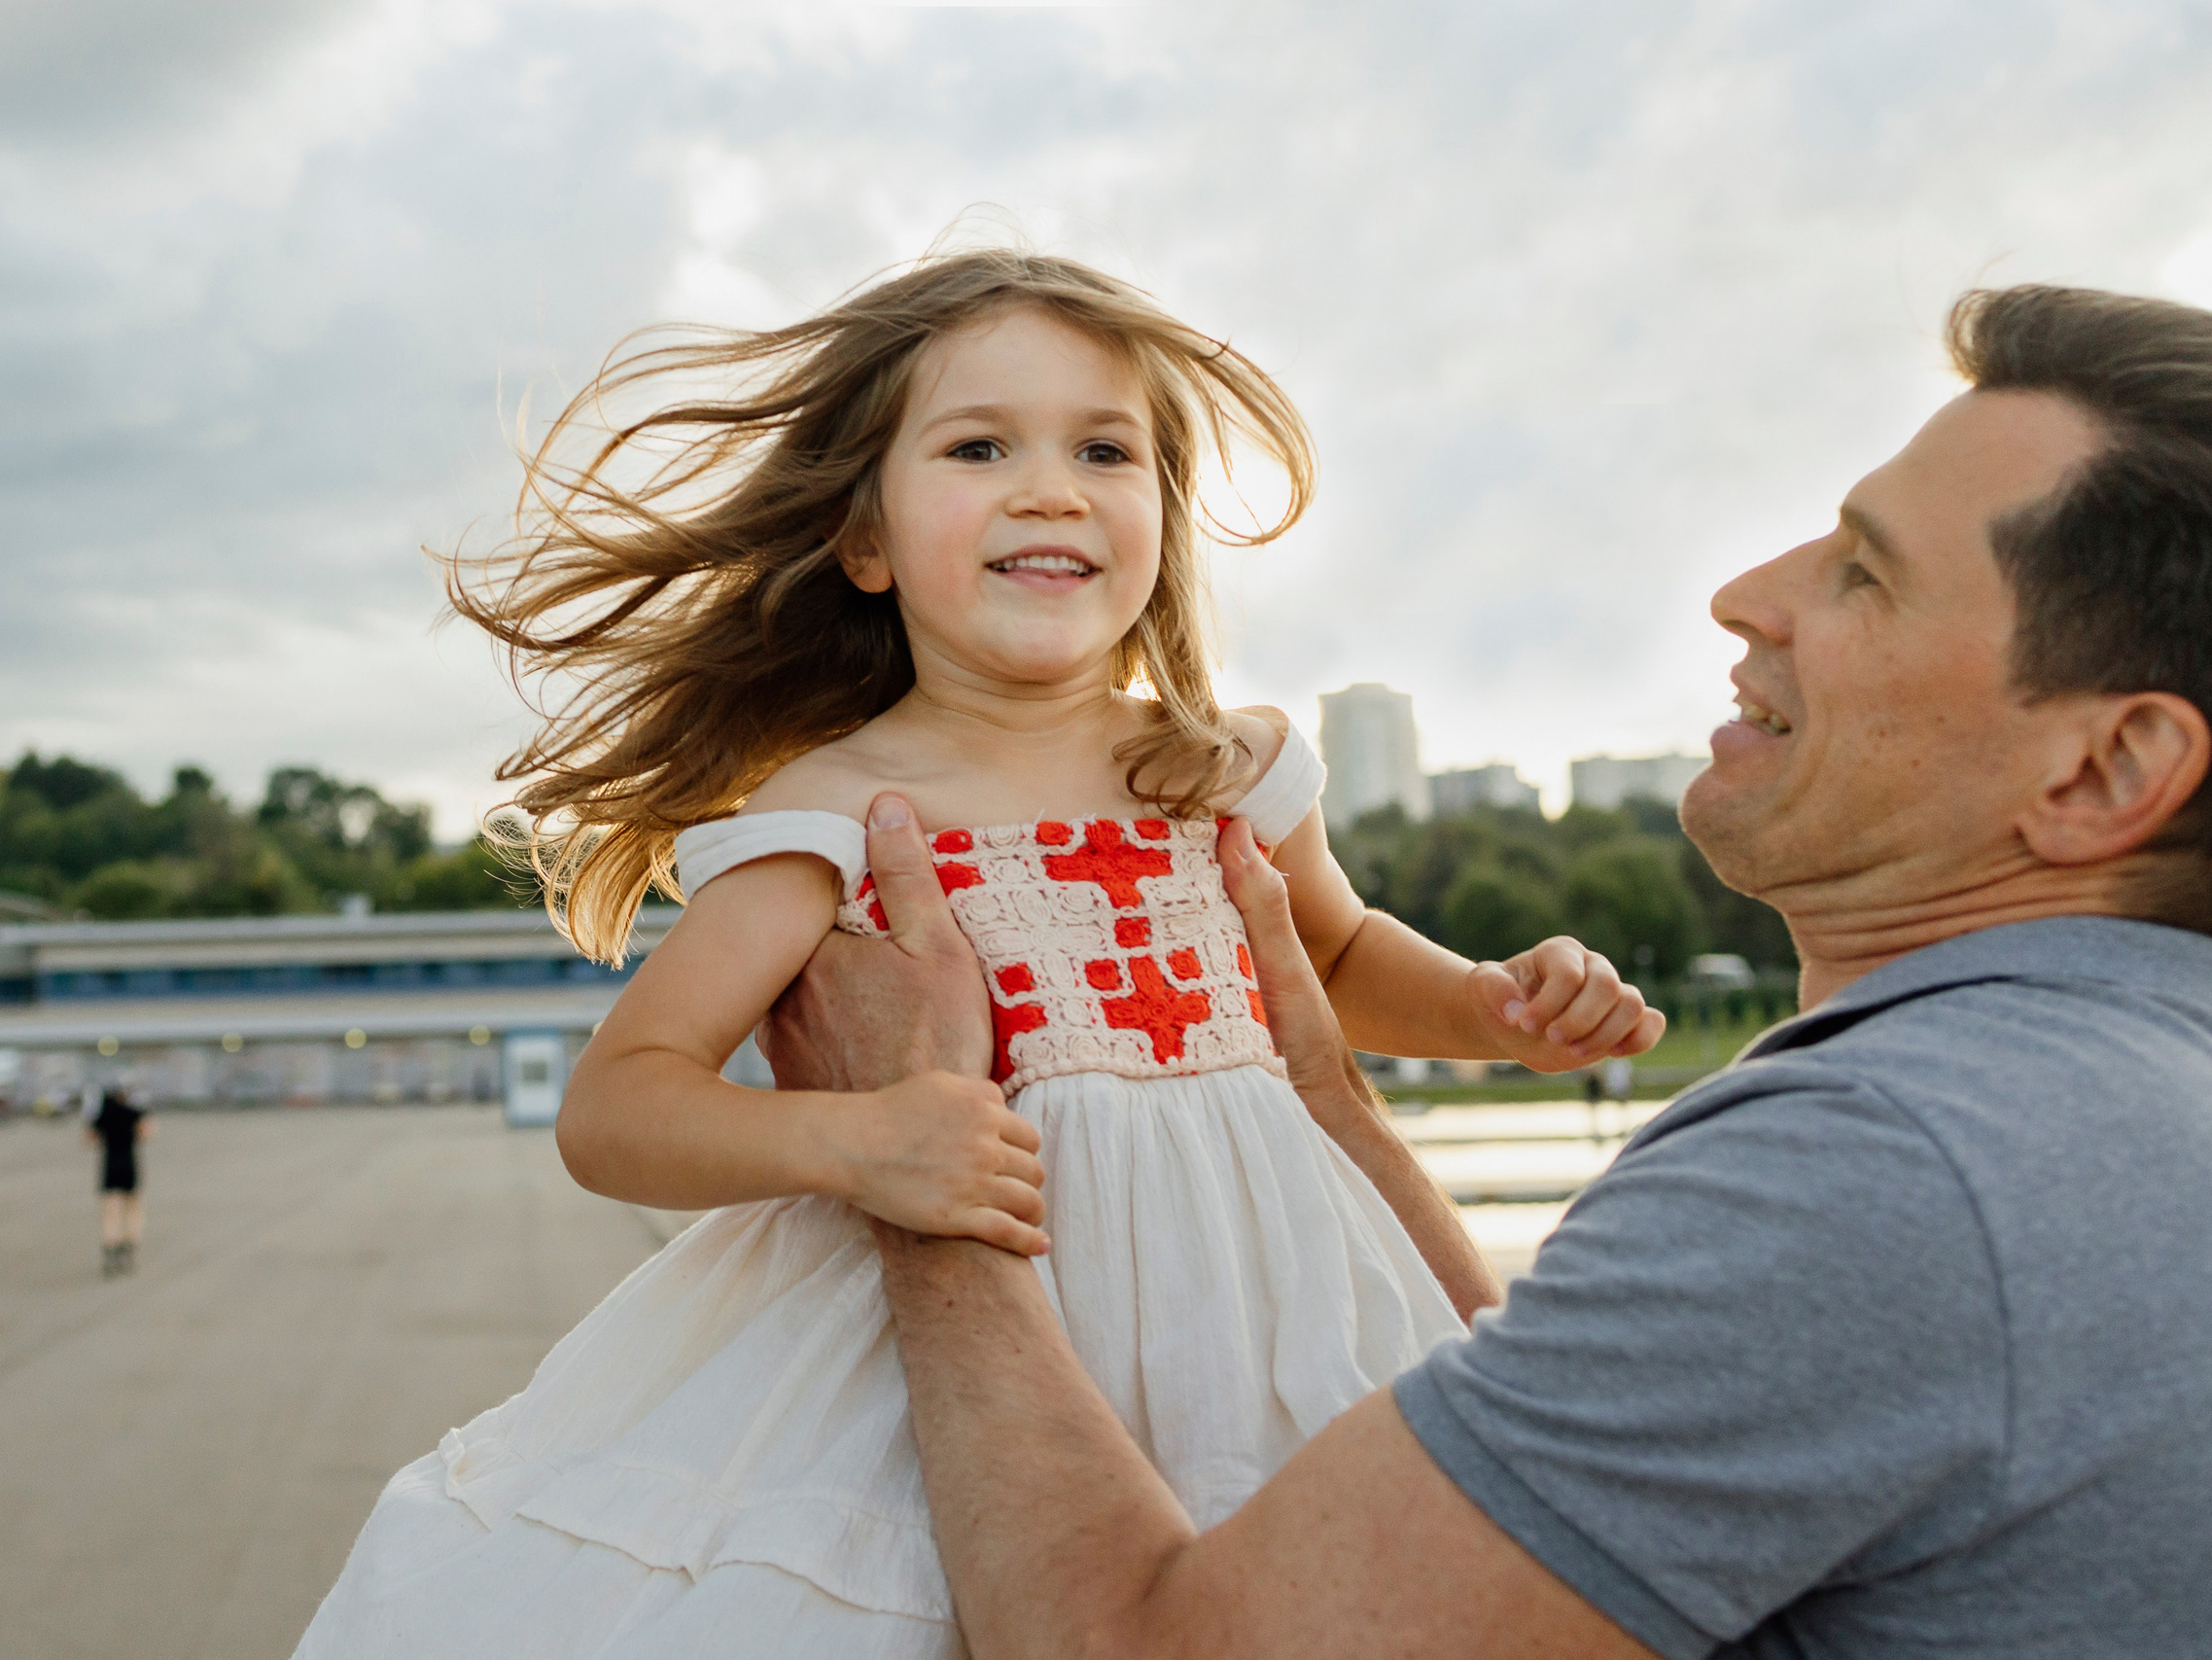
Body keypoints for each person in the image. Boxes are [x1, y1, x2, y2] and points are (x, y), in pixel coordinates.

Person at [771, 283, 2212, 1657]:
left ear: (2106, 767)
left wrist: (924, 1162)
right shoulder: (2108, 1095)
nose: (1743, 594)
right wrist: (1333, 1099)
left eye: (1864, 574)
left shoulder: (1886, 1170)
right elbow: (1544, 1491)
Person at [294, 249, 1658, 1659]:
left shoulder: (1226, 766)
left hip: (1268, 1319)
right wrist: (858, 1141)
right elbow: (619, 1103)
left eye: (1104, 450)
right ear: (865, 541)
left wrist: (1493, 1007)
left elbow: (1341, 958)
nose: (1051, 487)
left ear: (1160, 520)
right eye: (979, 446)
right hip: (923, 1370)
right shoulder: (833, 810)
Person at [87, 1086, 149, 1276]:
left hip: (110, 1166)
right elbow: (146, 1135)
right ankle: (129, 1246)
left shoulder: (103, 1116)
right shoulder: (133, 1113)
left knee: (110, 1211)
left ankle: (111, 1245)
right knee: (132, 1208)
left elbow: (89, 1139)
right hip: (129, 1165)